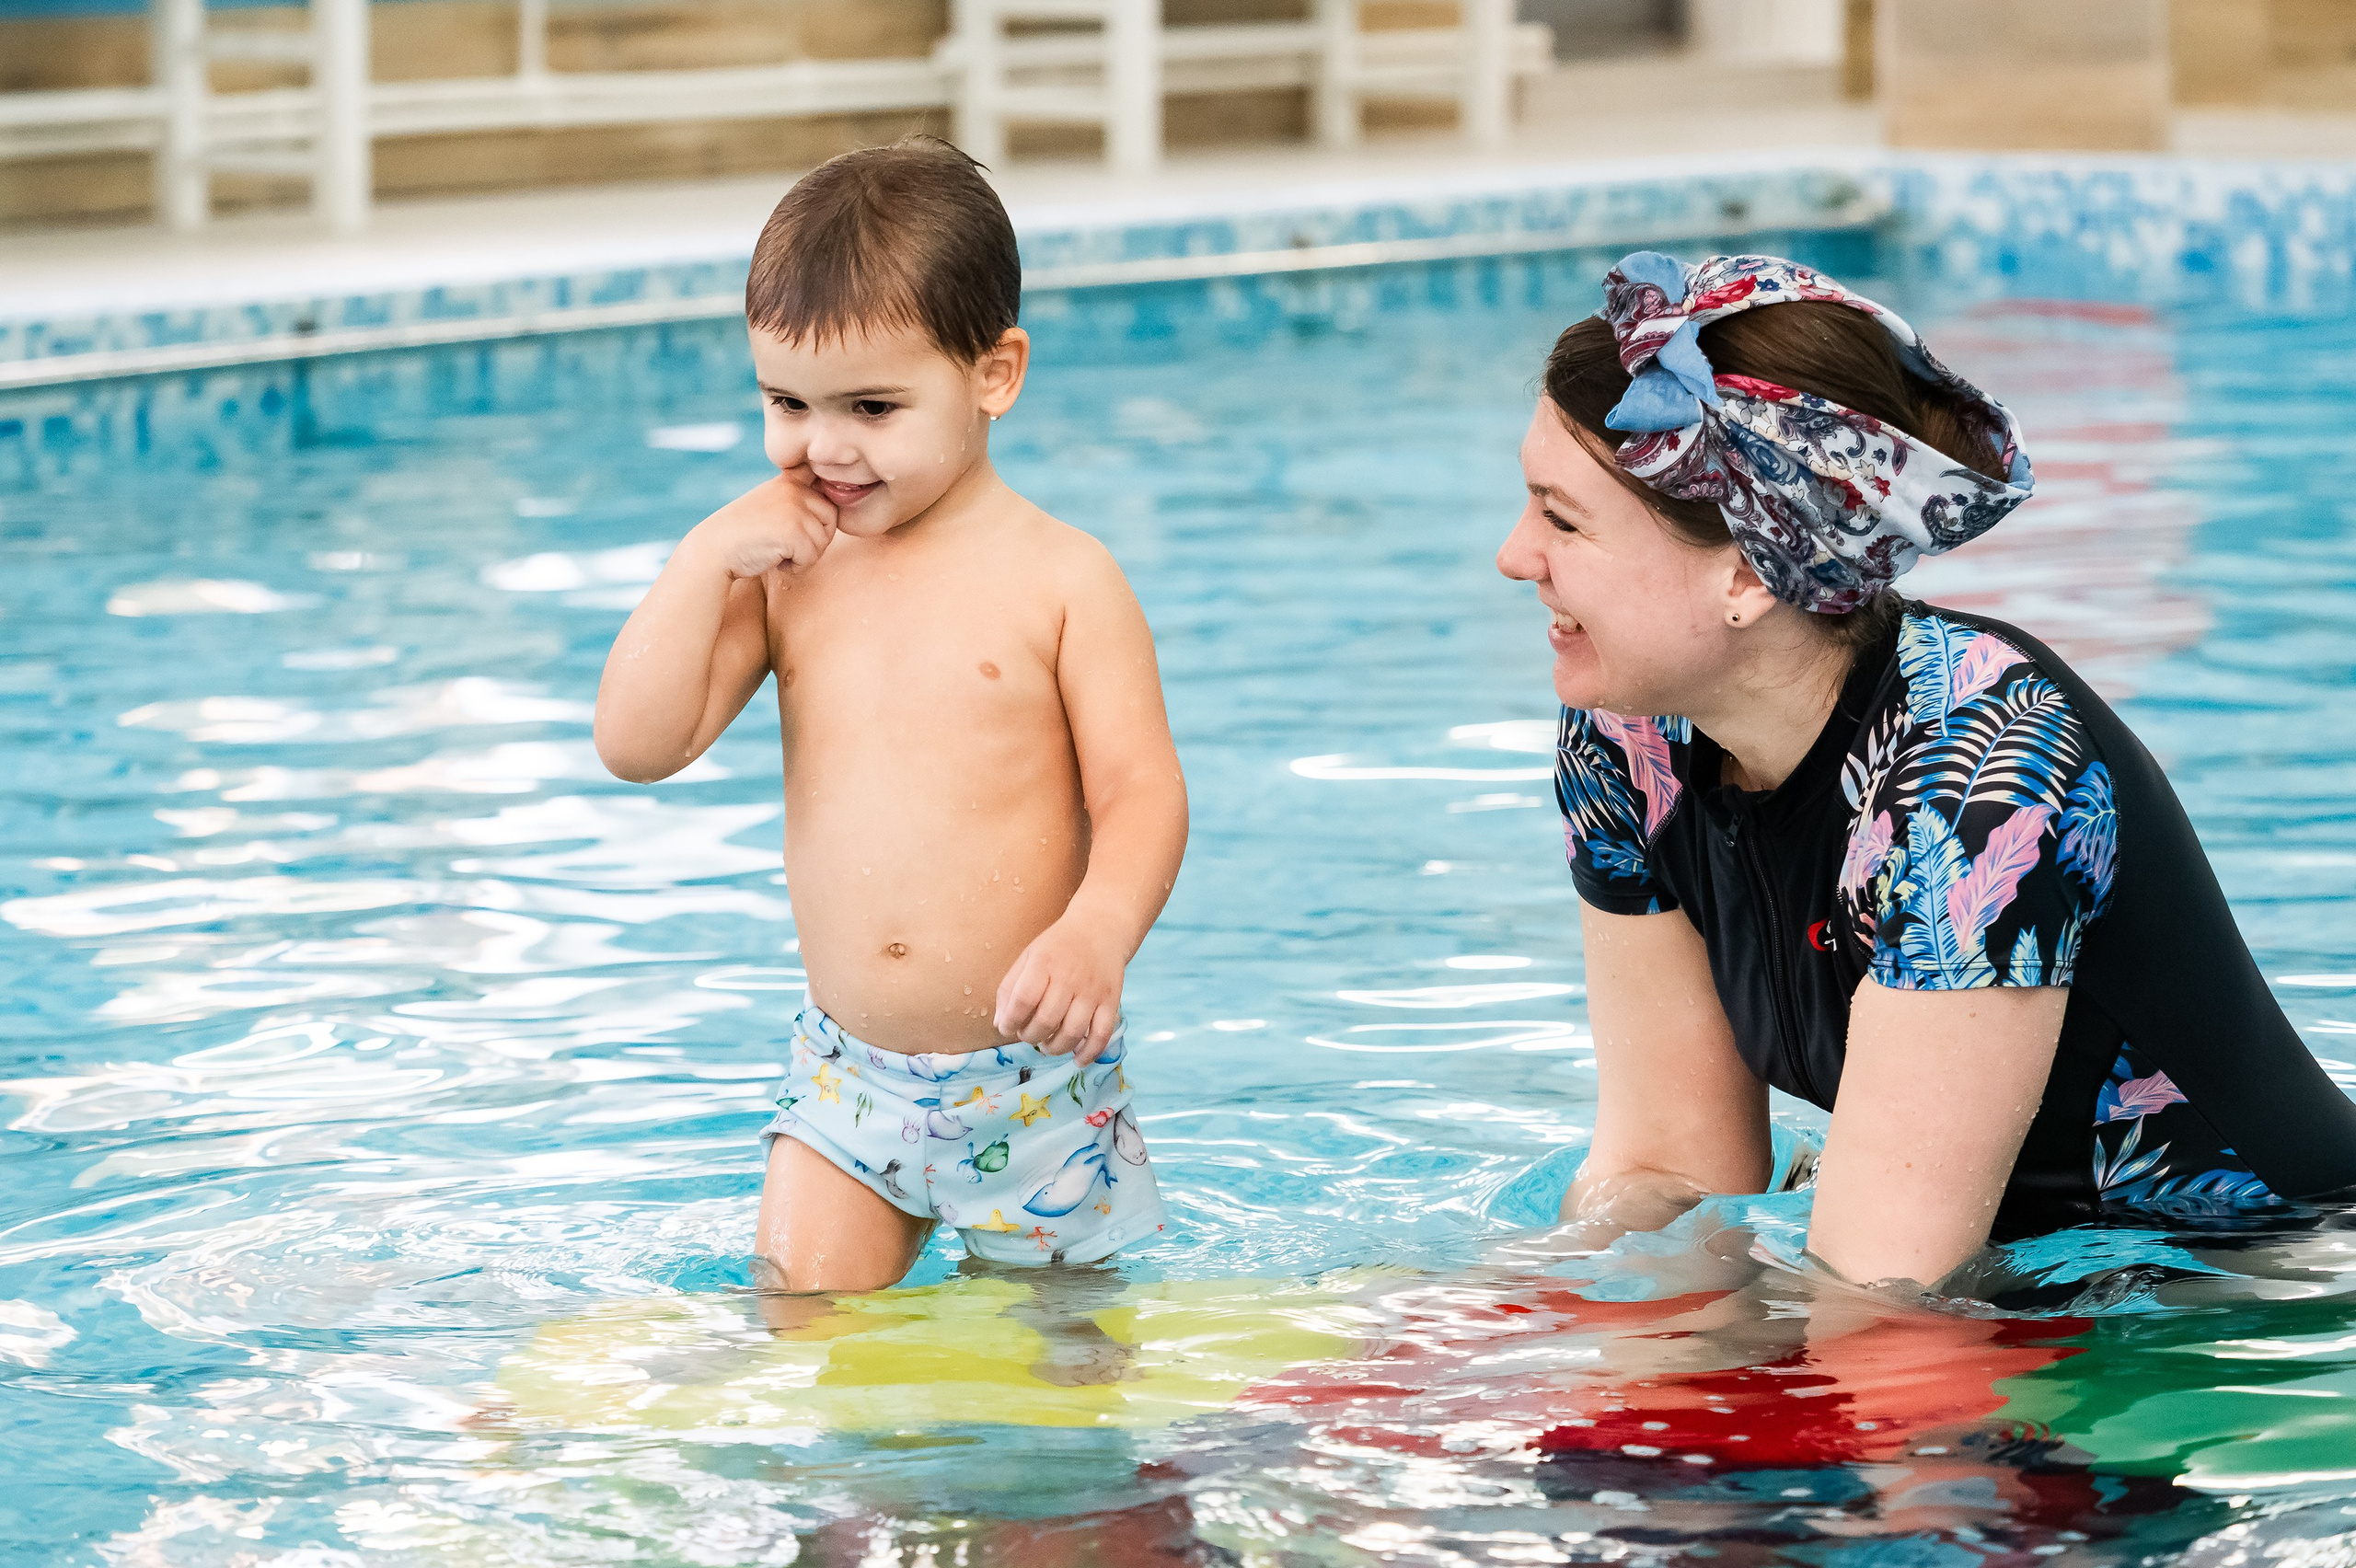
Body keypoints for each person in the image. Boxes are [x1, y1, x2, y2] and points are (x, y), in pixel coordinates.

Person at [1496, 250, 2356, 1289]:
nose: (1514, 555)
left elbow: (1881, 1301)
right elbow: (1669, 1167)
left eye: (1562, 518)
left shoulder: (1982, 770)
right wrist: (1495, 1327)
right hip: (1999, 1274)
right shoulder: (1634, 735)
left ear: (1747, 571)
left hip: (2247, 1287)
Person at [594, 137, 1187, 1291]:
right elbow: (637, 746)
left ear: (993, 375)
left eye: (871, 406)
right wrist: (701, 558)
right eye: (787, 403)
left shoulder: (1064, 580)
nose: (823, 447)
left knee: (1067, 1362)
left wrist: (1096, 932)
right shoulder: (785, 571)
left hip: (1034, 1085)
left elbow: (1141, 791)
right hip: (848, 1081)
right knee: (798, 1316)